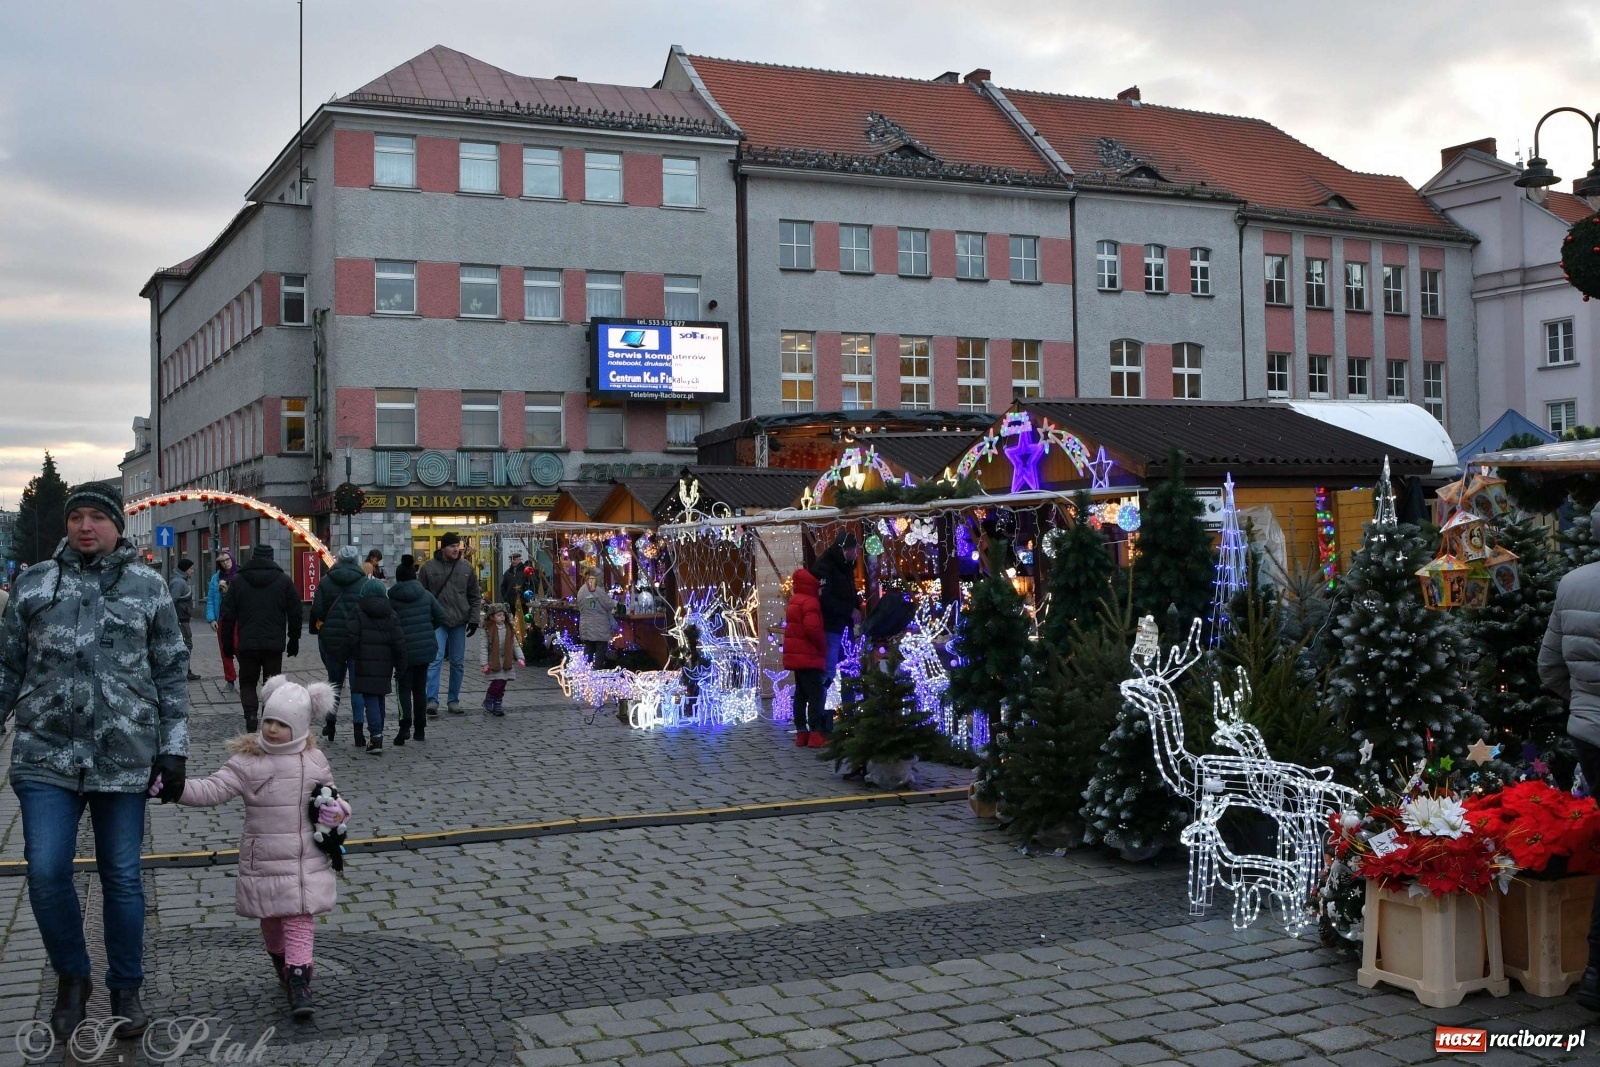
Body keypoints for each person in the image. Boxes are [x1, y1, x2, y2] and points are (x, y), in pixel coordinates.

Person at [0, 480, 190, 1039]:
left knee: (122, 878)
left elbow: (171, 671)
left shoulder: (148, 586)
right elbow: (7, 665)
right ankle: (72, 977)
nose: (86, 526)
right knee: (46, 871)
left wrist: (173, 748)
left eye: (98, 517)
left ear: (117, 526)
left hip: (123, 755)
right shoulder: (36, 583)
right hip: (45, 754)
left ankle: (125, 987)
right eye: (77, 517)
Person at [172, 676, 349, 1019]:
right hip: (265, 860)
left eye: (282, 724)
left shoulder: (314, 760)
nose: (272, 729)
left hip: (304, 860)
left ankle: (299, 979)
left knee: (298, 916)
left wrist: (338, 812)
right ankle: (280, 957)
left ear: (299, 727)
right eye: (269, 720)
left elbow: (333, 798)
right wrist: (176, 789)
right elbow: (212, 789)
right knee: (271, 919)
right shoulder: (248, 761)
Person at [1539, 548, 1600, 1011]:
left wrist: (1584, 706)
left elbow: (1550, 668)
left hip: (1589, 735)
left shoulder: (1573, 582)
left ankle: (1596, 975)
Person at [220, 544, 303, 732]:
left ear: (253, 557)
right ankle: (268, 718)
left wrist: (227, 644)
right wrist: (294, 638)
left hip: (248, 642)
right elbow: (295, 611)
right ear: (272, 558)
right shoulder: (283, 580)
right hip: (274, 643)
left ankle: (250, 716)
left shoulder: (239, 581)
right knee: (272, 684)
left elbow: (228, 615)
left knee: (247, 683)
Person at [340, 578, 408, 754]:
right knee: (380, 697)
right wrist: (401, 666)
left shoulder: (358, 611)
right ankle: (378, 733)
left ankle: (376, 737)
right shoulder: (391, 613)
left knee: (370, 697)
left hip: (364, 662)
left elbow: (351, 638)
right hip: (385, 663)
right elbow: (399, 642)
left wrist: (343, 656)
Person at [419, 532, 481, 715]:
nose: (456, 549)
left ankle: (453, 700)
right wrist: (425, 618)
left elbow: (474, 596)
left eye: (457, 546)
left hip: (459, 620)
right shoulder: (428, 567)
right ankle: (432, 700)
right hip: (437, 621)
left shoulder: (466, 567)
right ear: (443, 547)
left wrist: (474, 620)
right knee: (435, 660)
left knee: (457, 662)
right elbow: (421, 594)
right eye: (452, 546)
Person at [310, 545, 366, 740]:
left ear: (339, 559)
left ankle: (330, 725)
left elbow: (317, 609)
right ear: (357, 560)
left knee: (334, 684)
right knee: (358, 686)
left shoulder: (326, 581)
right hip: (357, 640)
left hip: (332, 639)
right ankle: (358, 731)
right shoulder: (364, 582)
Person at [810, 530, 863, 735]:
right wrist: (849, 610)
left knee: (849, 669)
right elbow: (825, 600)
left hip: (844, 626)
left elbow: (847, 592)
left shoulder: (845, 566)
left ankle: (849, 715)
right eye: (853, 550)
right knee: (828, 672)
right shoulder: (825, 567)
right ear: (844, 550)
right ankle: (817, 718)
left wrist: (856, 607)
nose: (855, 554)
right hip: (831, 627)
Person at [388, 556, 445, 744]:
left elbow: (388, 624)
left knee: (403, 690)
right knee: (420, 690)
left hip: (402, 651)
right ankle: (420, 729)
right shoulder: (426, 595)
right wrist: (428, 629)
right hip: (424, 650)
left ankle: (404, 727)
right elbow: (441, 617)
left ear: (398, 578)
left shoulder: (392, 598)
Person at [781, 568, 828, 748]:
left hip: (797, 655)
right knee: (816, 694)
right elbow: (812, 629)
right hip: (809, 654)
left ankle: (801, 732)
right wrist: (822, 646)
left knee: (801, 694)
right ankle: (815, 733)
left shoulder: (795, 600)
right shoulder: (811, 602)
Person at [479, 603, 525, 716]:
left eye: (503, 615)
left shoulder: (509, 628)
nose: (502, 617)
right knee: (497, 683)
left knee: (502, 685)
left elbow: (515, 645)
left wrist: (520, 657)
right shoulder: (488, 630)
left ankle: (497, 705)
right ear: (492, 617)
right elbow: (483, 647)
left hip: (506, 661)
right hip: (494, 661)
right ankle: (488, 700)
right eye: (499, 615)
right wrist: (484, 664)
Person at [207, 550, 241, 692]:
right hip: (223, 618)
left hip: (239, 618)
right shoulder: (216, 578)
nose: (225, 563)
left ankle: (247, 675)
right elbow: (210, 599)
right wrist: (211, 619)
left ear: (232, 559)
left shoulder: (241, 574)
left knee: (239, 647)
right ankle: (230, 680)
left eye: (227, 559)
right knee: (225, 650)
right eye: (222, 561)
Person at [576, 570, 617, 666]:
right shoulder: (596, 589)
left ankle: (586, 670)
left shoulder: (581, 589)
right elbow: (609, 604)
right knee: (600, 650)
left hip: (585, 625)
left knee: (588, 649)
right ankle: (598, 670)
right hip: (599, 626)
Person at [169, 558, 201, 681]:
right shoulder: (179, 582)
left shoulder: (180, 581)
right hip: (181, 619)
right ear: (185, 569)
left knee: (185, 644)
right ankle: (184, 671)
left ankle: (184, 670)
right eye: (191, 568)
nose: (192, 571)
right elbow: (172, 602)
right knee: (186, 644)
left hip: (182, 618)